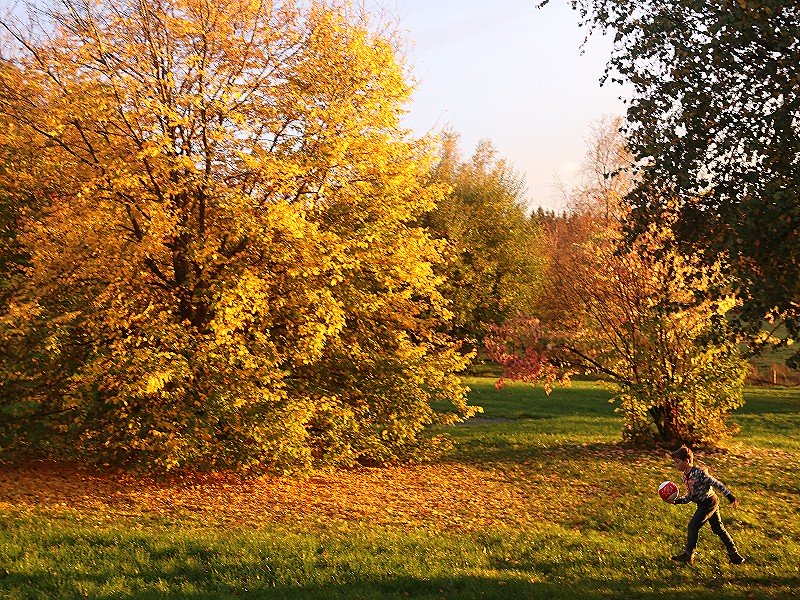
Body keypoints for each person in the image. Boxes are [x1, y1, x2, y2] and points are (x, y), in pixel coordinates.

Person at [669, 445, 745, 565]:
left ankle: (688, 556)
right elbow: (690, 496)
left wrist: (730, 497)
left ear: (686, 461)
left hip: (709, 502)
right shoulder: (685, 476)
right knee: (718, 529)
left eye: (677, 462)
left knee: (693, 526)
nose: (675, 465)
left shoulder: (699, 473)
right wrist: (677, 501)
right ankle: (734, 555)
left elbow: (717, 484)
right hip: (702, 503)